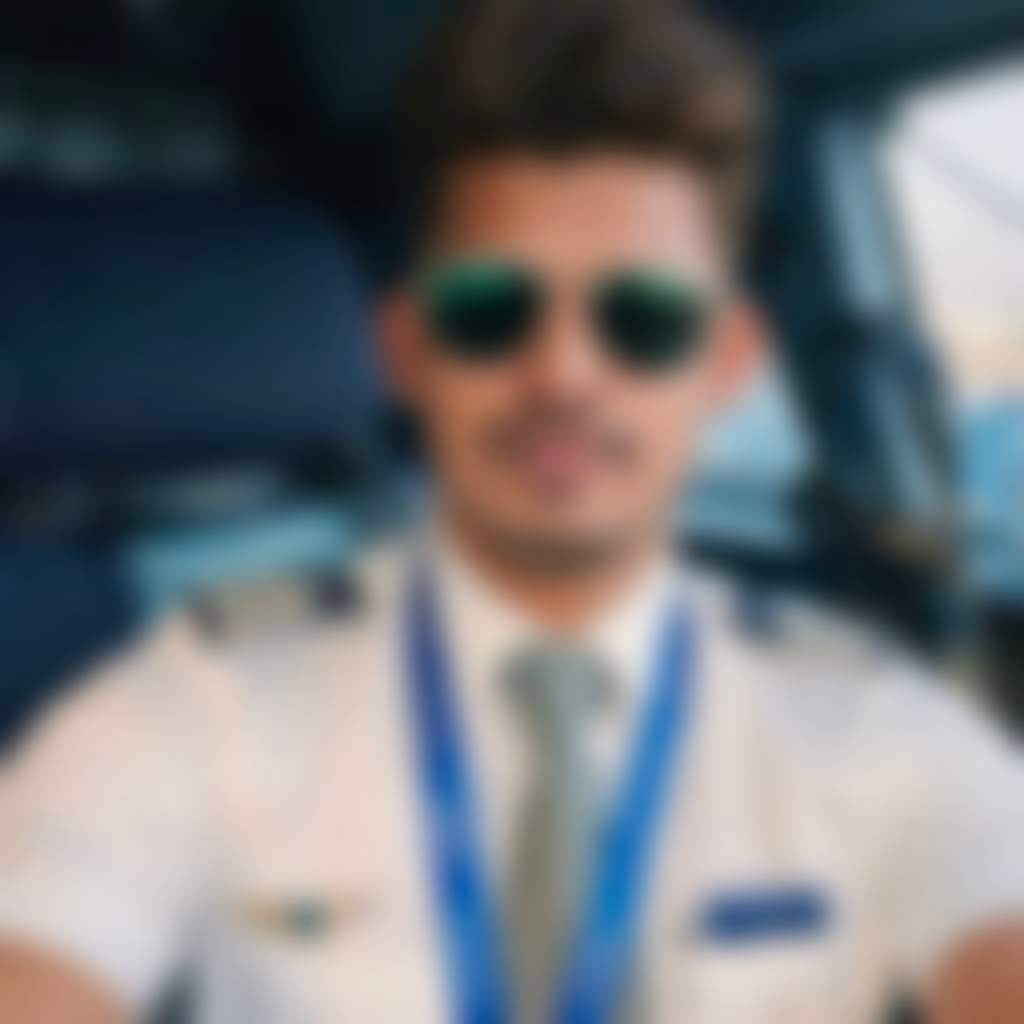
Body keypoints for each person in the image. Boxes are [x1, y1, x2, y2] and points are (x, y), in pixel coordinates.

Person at [2, 1, 1023, 1021]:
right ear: (406, 351)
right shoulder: (183, 717)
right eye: (488, 308)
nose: (563, 373)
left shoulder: (871, 727)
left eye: (644, 315)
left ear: (725, 361)